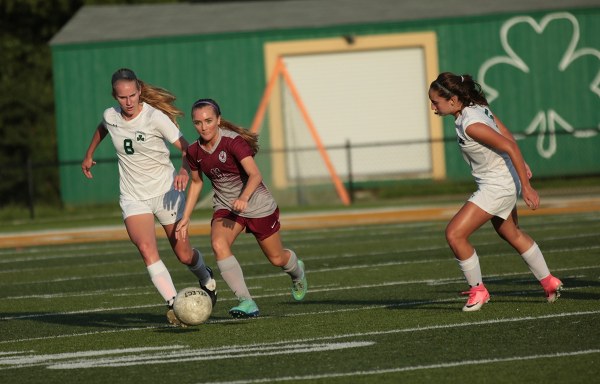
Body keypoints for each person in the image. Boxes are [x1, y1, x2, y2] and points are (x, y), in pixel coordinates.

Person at [81, 68, 216, 325]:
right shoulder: (111, 116)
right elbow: (103, 127)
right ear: (115, 96)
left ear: (140, 91)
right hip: (134, 197)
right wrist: (89, 154)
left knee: (184, 255)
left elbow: (188, 149)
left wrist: (185, 171)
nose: (128, 102)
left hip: (166, 192)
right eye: (122, 97)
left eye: (132, 95)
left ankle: (206, 276)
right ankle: (175, 304)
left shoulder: (155, 117)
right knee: (146, 249)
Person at [428, 72, 562, 312]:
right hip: (503, 180)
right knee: (511, 233)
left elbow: (509, 145)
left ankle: (478, 291)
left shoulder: (471, 124)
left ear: (452, 100)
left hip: (497, 186)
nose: (432, 106)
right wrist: (521, 166)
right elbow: (506, 136)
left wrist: (527, 187)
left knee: (455, 234)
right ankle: (549, 281)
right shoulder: (477, 107)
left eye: (435, 101)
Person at [175, 98, 307, 318]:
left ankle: (297, 271)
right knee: (218, 244)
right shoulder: (194, 151)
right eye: (198, 123)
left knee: (276, 259)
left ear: (218, 120)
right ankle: (246, 301)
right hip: (227, 208)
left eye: (208, 120)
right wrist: (186, 216)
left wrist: (244, 198)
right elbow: (197, 183)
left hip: (258, 205)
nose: (204, 126)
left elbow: (256, 175)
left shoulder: (233, 142)